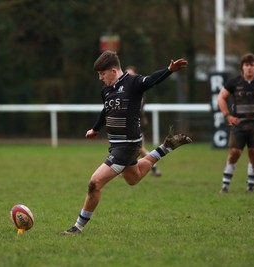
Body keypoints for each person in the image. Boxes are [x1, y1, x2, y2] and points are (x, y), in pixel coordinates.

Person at [61, 50, 191, 235]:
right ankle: (166, 147)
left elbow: (151, 80)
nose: (100, 78)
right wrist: (96, 129)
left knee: (94, 183)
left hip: (128, 145)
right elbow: (105, 111)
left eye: (102, 73)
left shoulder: (133, 82)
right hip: (116, 144)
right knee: (134, 178)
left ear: (113, 70)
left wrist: (169, 70)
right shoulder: (106, 90)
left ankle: (77, 227)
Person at [217, 53, 254, 193]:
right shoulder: (234, 82)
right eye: (246, 65)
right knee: (234, 152)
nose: (249, 68)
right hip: (239, 123)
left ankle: (251, 186)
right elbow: (221, 97)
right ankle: (225, 185)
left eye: (252, 65)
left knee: (253, 155)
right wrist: (227, 115)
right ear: (242, 67)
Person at [125, 65, 162, 177]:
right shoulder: (125, 88)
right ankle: (125, 170)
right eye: (127, 74)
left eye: (131, 74)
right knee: (131, 149)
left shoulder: (138, 89)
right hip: (127, 123)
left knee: (139, 149)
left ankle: (154, 167)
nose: (129, 77)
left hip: (135, 122)